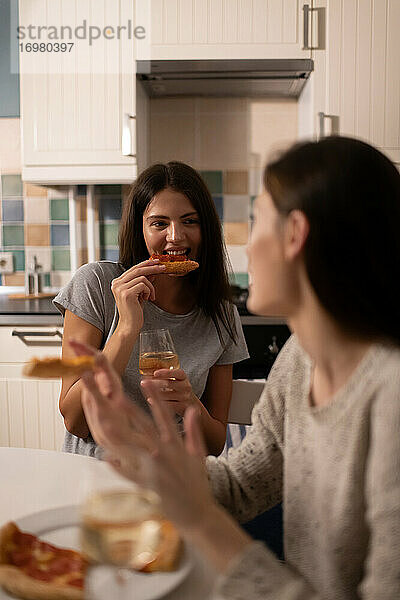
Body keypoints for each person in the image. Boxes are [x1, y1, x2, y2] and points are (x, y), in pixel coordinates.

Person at [73, 136, 400, 599]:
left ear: (294, 235)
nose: (244, 250)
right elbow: (243, 484)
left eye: (257, 220)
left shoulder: (391, 397)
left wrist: (204, 524)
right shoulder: (299, 361)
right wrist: (142, 450)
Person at [53, 161, 249, 458]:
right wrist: (126, 330)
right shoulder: (95, 285)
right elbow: (75, 421)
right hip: (98, 479)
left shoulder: (223, 317)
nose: (176, 237)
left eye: (190, 221)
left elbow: (215, 443)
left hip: (177, 480)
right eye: (159, 223)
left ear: (206, 229)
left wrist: (189, 403)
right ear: (140, 229)